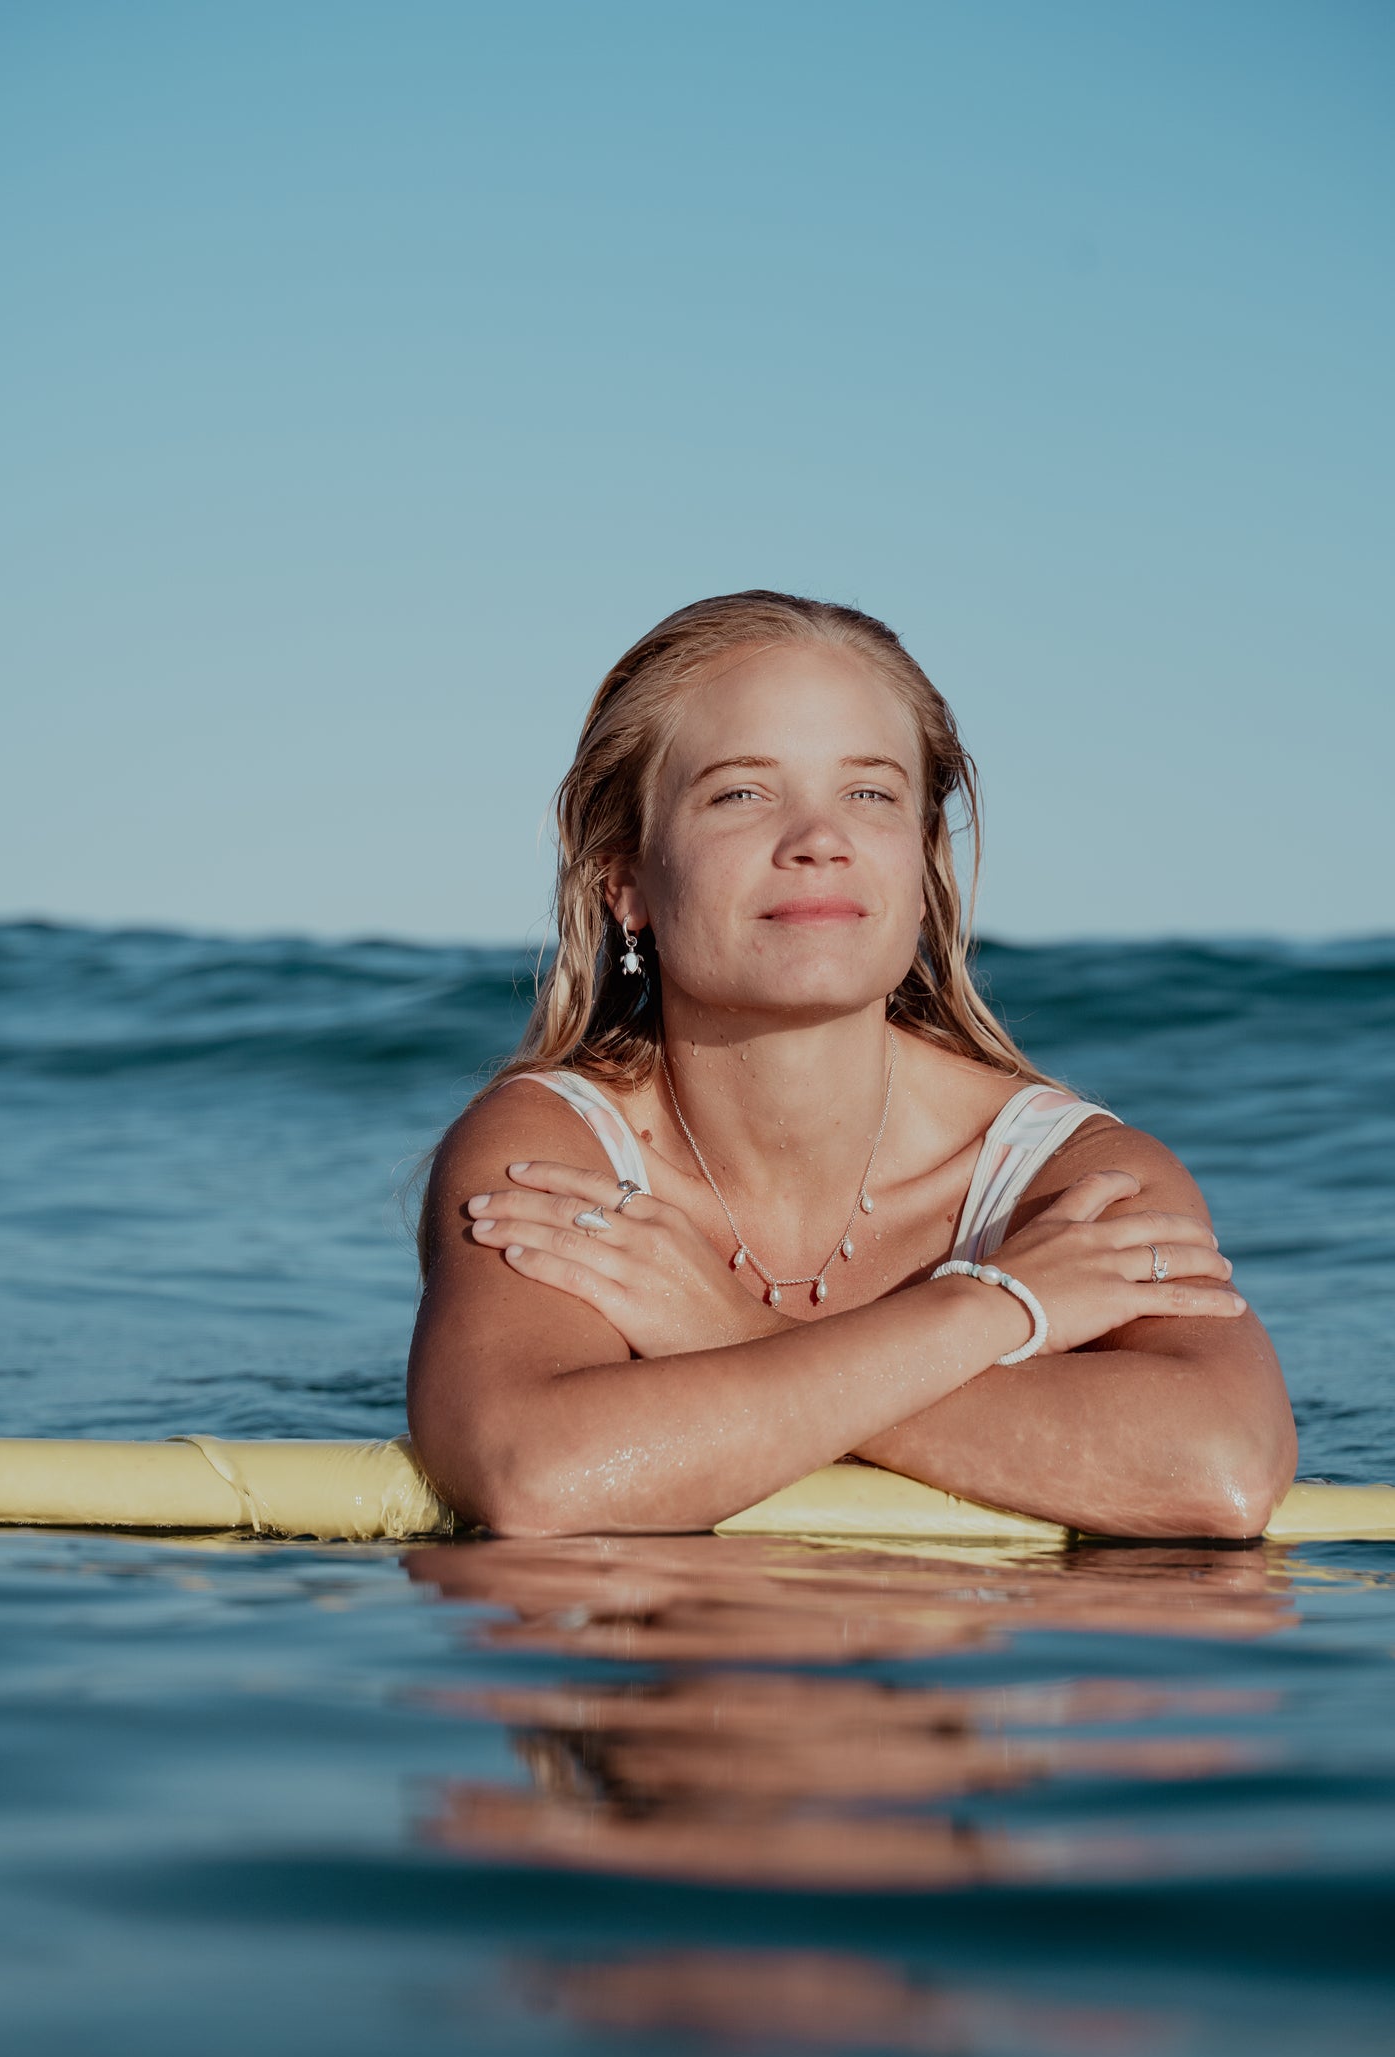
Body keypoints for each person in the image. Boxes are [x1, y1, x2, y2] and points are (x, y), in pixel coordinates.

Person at [408, 591, 1296, 1538]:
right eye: (740, 793)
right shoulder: (550, 1150)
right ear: (625, 882)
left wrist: (730, 1332)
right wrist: (995, 1314)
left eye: (868, 793)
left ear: (921, 867)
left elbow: (1220, 1474)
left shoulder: (1063, 1181)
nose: (818, 840)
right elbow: (534, 1477)